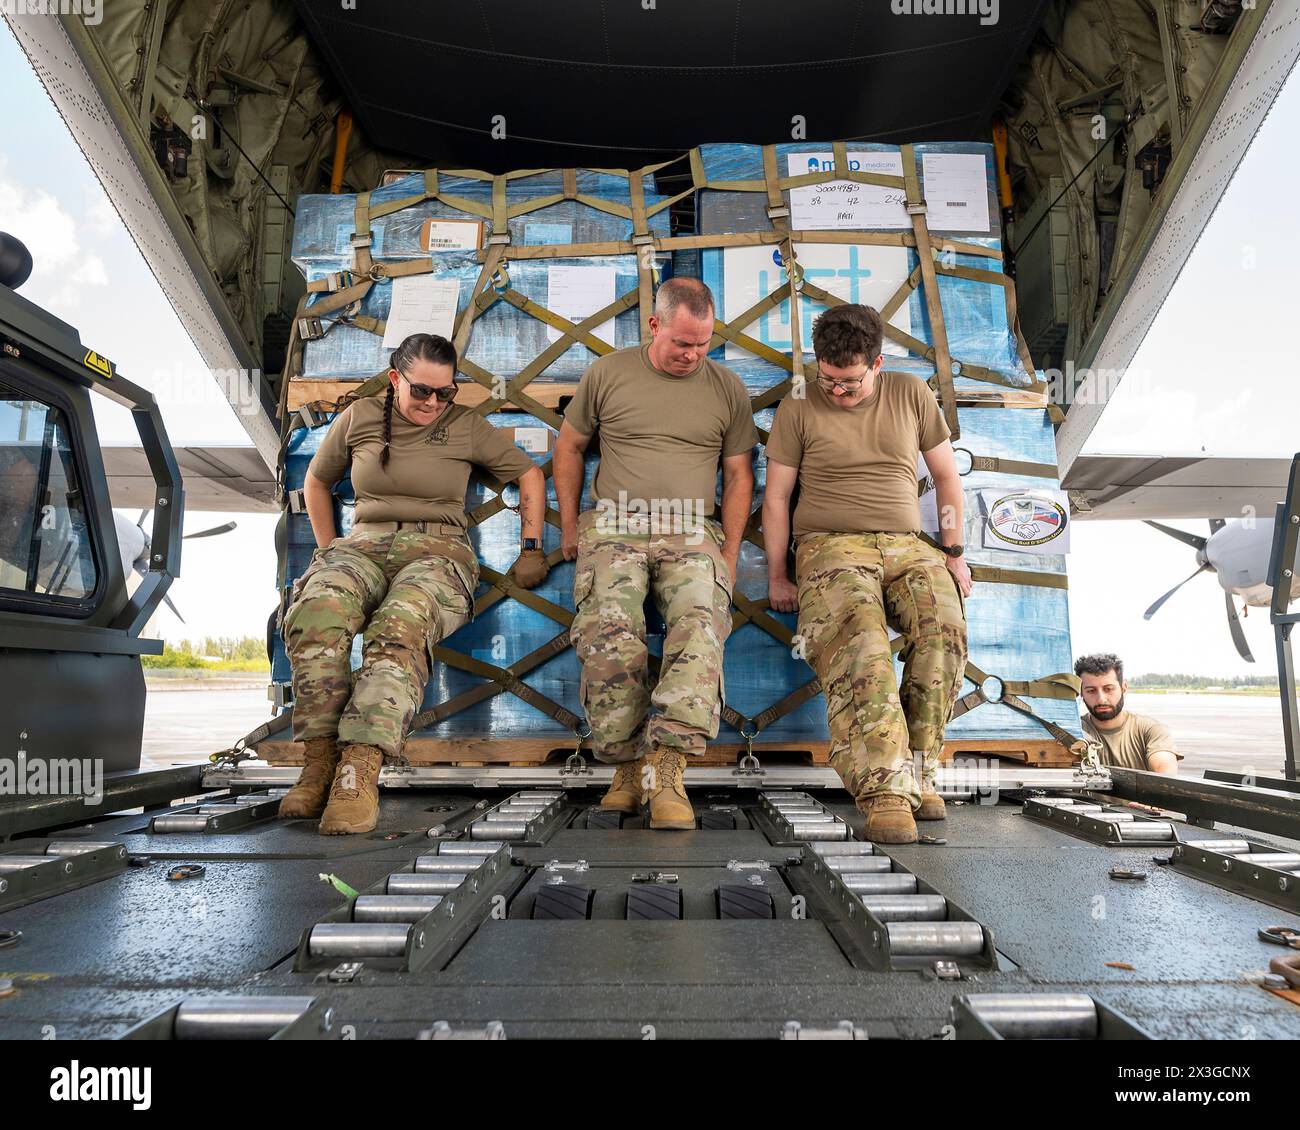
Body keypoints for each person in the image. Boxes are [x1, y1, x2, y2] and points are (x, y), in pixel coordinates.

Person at [280, 333, 548, 833]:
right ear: (396, 378)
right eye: (422, 391)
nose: (433, 403)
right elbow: (316, 481)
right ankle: (318, 761)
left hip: (438, 549)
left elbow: (529, 475)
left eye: (445, 393)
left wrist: (530, 547)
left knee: (399, 626)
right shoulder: (359, 418)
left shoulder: (465, 426)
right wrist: (326, 549)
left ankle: (359, 769)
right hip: (363, 545)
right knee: (316, 613)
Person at [763, 304, 970, 844]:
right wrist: (778, 576)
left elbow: (947, 478)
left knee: (943, 629)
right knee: (861, 640)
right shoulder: (799, 403)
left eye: (850, 381)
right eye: (828, 378)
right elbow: (778, 496)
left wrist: (953, 550)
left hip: (907, 545)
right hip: (829, 546)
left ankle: (919, 770)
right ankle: (883, 791)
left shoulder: (910, 393)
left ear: (877, 363)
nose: (837, 391)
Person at [554, 278, 757, 828]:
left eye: (704, 344)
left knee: (699, 621)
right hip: (616, 523)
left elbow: (740, 475)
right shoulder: (608, 373)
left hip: (692, 528)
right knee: (608, 628)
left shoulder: (727, 388)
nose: (693, 355)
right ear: (654, 326)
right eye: (682, 343)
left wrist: (730, 553)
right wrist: (570, 526)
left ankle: (667, 768)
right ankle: (626, 767)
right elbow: (569, 447)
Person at [1074, 653, 1180, 773]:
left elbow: (1166, 773)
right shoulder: (1074, 732)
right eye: (1091, 691)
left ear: (1123, 687)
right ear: (1081, 693)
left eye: (1108, 689)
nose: (1101, 699)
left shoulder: (1150, 730)